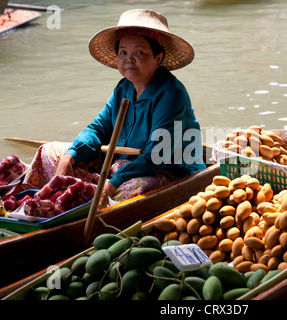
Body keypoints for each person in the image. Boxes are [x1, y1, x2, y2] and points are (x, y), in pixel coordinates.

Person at [22, 9, 206, 208]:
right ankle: (43, 205)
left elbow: (155, 156)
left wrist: (112, 183)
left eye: (139, 52)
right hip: (121, 165)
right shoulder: (123, 88)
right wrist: (71, 156)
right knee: (49, 153)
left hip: (165, 170)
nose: (129, 59)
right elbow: (97, 128)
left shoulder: (171, 94)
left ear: (158, 58)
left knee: (135, 188)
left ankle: (87, 203)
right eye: (123, 52)